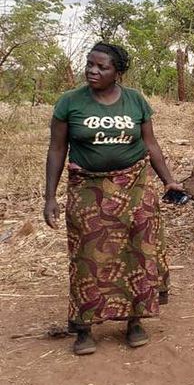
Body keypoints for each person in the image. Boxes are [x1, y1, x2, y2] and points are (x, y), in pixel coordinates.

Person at [43, 42, 183, 355]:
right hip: (88, 190)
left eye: (102, 66)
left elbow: (151, 145)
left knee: (138, 252)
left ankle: (134, 321)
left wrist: (169, 180)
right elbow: (56, 149)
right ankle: (84, 327)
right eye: (90, 64)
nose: (93, 71)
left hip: (134, 187)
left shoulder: (135, 100)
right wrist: (49, 196)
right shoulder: (69, 102)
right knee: (88, 258)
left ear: (117, 72)